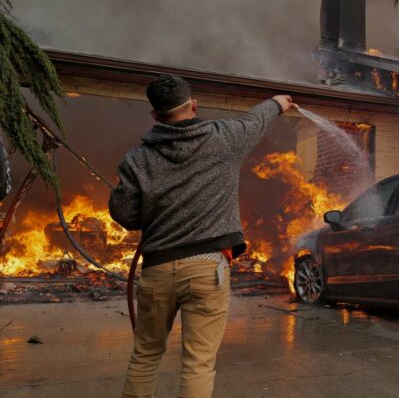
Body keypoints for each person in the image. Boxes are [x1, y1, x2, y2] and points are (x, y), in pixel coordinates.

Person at [109, 74, 296, 397]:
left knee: (146, 356)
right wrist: (278, 103)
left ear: (155, 116)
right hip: (208, 270)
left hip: (158, 272)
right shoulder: (224, 137)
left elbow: (125, 215)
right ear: (193, 105)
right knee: (198, 364)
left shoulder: (137, 159)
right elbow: (256, 120)